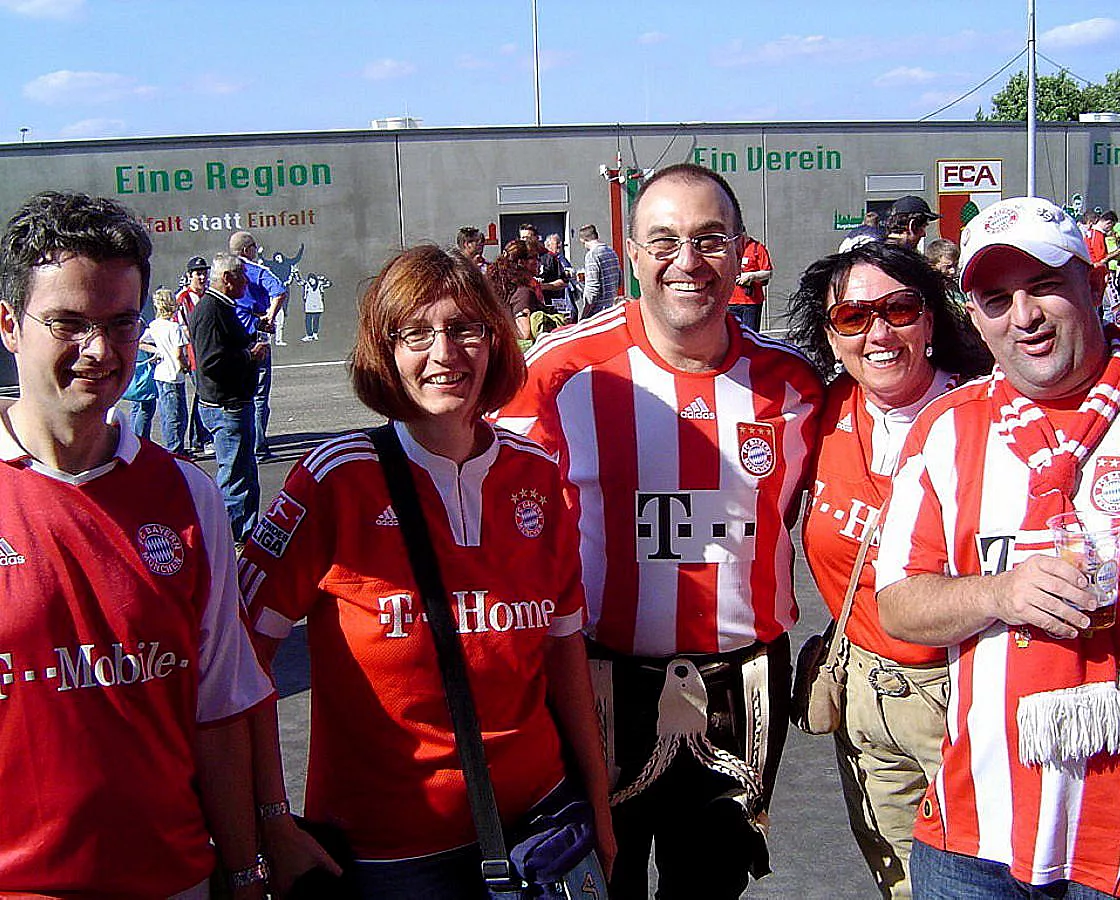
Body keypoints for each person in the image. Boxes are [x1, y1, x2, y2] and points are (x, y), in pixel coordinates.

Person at [238, 244, 615, 896]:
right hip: (390, 855)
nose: (445, 353)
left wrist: (600, 809)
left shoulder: (535, 472)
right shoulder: (335, 480)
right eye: (416, 332)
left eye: (465, 328)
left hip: (542, 827)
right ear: (384, 350)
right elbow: (235, 666)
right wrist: (267, 821)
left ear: (496, 341)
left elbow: (564, 657)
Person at [496, 163, 824, 898]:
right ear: (633, 252)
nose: (688, 261)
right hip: (597, 685)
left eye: (710, 240)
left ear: (742, 252)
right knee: (599, 882)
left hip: (739, 689)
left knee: (709, 887)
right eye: (665, 240)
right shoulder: (558, 372)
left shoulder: (796, 385)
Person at [875, 196, 1120, 899]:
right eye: (997, 299)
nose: (1023, 317)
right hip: (972, 844)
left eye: (1045, 286)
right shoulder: (945, 430)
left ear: (1093, 282)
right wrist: (998, 593)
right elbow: (897, 605)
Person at [0, 190, 274, 897]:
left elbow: (218, 708)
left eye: (121, 324)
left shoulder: (189, 496)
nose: (98, 351)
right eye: (67, 323)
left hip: (175, 879)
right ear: (8, 325)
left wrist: (244, 872)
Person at [787, 241, 992, 899]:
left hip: (971, 699)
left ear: (930, 320)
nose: (877, 332)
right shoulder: (818, 414)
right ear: (830, 333)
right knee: (901, 886)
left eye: (899, 309)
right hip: (868, 702)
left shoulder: (991, 413)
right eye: (852, 317)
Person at [190, 251, 268, 545]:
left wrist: (252, 338)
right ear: (227, 279)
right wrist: (250, 355)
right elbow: (211, 362)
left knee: (245, 473)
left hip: (231, 403)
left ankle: (245, 535)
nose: (247, 282)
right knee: (235, 479)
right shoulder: (211, 311)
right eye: (242, 276)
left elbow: (224, 348)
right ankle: (229, 542)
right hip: (226, 406)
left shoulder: (220, 308)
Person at [229, 231, 286, 461]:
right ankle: (258, 447)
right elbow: (279, 291)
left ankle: (242, 443)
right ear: (246, 250)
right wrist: (270, 317)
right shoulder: (256, 271)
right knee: (260, 394)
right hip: (255, 335)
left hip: (233, 339)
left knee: (239, 393)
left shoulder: (224, 272)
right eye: (253, 246)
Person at [145, 287, 189, 453]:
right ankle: (175, 449)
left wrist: (157, 351)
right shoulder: (174, 328)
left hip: (160, 374)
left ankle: (173, 447)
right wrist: (184, 367)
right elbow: (179, 354)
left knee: (167, 414)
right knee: (177, 416)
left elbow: (141, 341)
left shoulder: (154, 325)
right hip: (173, 375)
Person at [176, 255, 212, 455]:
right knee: (203, 394)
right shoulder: (183, 298)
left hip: (209, 352)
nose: (202, 277)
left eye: (204, 273)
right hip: (194, 354)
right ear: (190, 276)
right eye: (198, 273)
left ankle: (199, 438)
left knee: (203, 395)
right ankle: (203, 438)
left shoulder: (209, 295)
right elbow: (182, 329)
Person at [728, 233, 773, 331]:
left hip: (751, 303)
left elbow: (768, 273)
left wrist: (751, 276)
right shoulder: (728, 249)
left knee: (750, 336)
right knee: (732, 336)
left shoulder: (757, 248)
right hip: (730, 302)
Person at [578, 223, 622, 318]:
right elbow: (619, 280)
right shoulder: (612, 252)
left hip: (598, 312)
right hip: (612, 308)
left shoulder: (592, 255)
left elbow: (592, 289)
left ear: (583, 240)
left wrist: (584, 314)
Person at [545, 232, 579, 322]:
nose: (560, 244)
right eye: (557, 243)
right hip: (556, 298)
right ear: (549, 245)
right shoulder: (547, 259)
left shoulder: (562, 258)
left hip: (567, 295)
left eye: (560, 242)